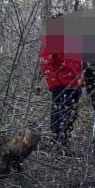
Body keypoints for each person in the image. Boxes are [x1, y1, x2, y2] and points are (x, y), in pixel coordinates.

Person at [39, 17, 83, 147]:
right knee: (59, 115)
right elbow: (46, 64)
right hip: (60, 85)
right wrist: (54, 83)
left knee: (72, 114)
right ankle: (57, 142)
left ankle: (65, 140)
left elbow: (78, 62)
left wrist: (81, 79)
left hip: (75, 84)